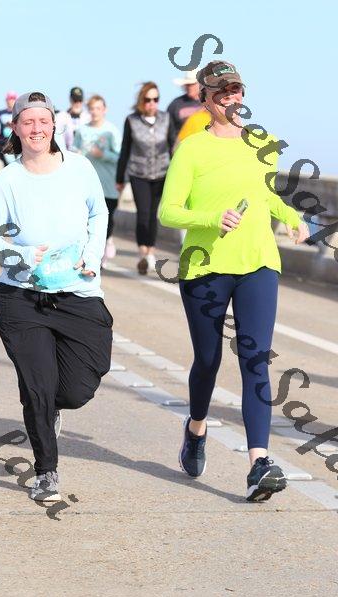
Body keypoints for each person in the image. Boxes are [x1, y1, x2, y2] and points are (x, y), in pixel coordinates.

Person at [159, 60, 309, 502]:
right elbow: (168, 211)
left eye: (236, 89)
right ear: (205, 98)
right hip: (205, 265)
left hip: (258, 262)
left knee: (255, 359)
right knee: (208, 360)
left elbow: (265, 194)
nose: (231, 97)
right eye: (222, 91)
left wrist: (291, 216)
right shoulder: (192, 149)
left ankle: (259, 463)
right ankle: (196, 428)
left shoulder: (263, 142)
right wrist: (211, 218)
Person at [0, 92, 112, 502]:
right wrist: (18, 255)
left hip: (78, 292)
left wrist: (93, 256)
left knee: (75, 390)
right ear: (16, 128)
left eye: (43, 121)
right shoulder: (8, 179)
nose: (36, 129)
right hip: (23, 297)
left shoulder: (80, 167)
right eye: (28, 122)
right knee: (37, 384)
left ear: (54, 125)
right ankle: (46, 472)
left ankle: (52, 410)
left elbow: (99, 212)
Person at [116, 82, 175, 274]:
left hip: (161, 173)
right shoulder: (131, 120)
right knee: (143, 214)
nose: (152, 103)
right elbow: (125, 150)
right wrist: (120, 178)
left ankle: (151, 252)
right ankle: (142, 252)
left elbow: (173, 147)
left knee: (153, 214)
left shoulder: (166, 119)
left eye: (156, 99)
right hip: (138, 173)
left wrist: (177, 175)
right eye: (148, 99)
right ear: (142, 100)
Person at [73, 94, 121, 267]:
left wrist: (103, 154)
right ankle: (89, 254)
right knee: (86, 221)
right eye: (92, 109)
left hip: (107, 184)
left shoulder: (112, 131)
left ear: (104, 110)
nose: (95, 112)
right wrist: (77, 154)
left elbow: (119, 156)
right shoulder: (82, 130)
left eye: (98, 108)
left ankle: (106, 244)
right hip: (86, 185)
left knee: (106, 220)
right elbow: (73, 150)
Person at [167, 70, 202, 139]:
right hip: (182, 143)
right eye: (187, 85)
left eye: (192, 84)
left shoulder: (210, 103)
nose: (189, 87)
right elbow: (168, 129)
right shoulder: (175, 104)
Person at [55, 86, 90, 151]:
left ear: (82, 101)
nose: (77, 103)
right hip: (66, 154)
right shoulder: (60, 117)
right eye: (75, 100)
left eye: (79, 100)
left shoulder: (89, 118)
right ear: (70, 100)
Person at [0, 91, 18, 165]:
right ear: (6, 100)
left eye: (13, 99)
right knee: (9, 162)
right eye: (9, 99)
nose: (11, 101)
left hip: (17, 141)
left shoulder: (20, 113)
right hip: (4, 142)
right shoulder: (0, 113)